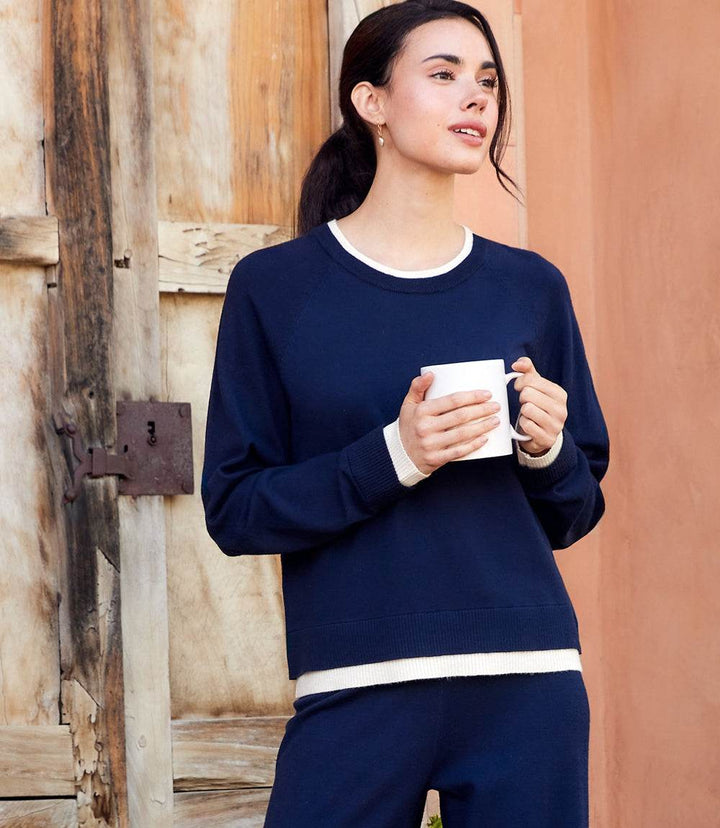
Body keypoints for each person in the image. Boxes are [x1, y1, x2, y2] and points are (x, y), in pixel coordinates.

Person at [202, 1, 610, 825]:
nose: (477, 98)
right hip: (358, 685)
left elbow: (577, 509)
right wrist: (395, 455)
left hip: (528, 682)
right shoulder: (275, 290)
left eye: (488, 81)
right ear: (371, 102)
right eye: (444, 74)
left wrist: (547, 449)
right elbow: (236, 508)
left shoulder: (531, 287)